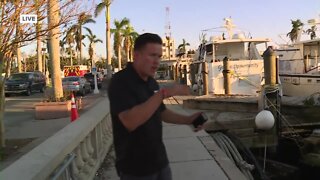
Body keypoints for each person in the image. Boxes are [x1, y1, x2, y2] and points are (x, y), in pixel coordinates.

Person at [108, 33, 204, 180]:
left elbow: (161, 112)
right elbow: (130, 122)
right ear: (136, 55)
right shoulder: (120, 81)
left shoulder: (151, 82)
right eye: (152, 55)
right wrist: (164, 93)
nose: (156, 61)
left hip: (160, 161)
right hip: (135, 169)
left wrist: (188, 120)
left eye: (159, 56)